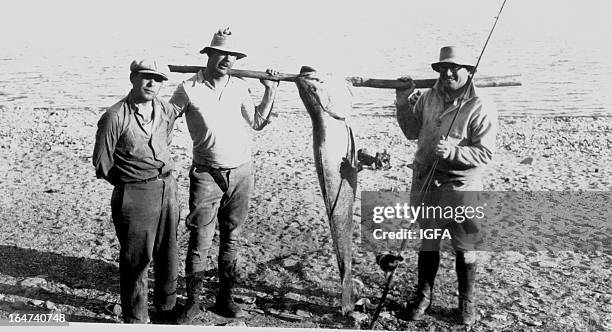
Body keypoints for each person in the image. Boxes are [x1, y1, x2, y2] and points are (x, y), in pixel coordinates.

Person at [169, 28, 279, 323]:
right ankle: (193, 302)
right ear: (209, 55)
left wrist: (270, 90)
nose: (227, 59)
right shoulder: (188, 88)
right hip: (206, 174)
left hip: (242, 172)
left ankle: (224, 299)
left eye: (233, 55)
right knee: (200, 240)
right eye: (221, 53)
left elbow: (257, 122)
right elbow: (165, 121)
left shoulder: (239, 86)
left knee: (232, 237)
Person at [394, 46, 498, 325]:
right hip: (426, 181)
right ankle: (423, 297)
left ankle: (467, 302)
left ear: (469, 71)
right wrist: (403, 102)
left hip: (461, 186)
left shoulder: (481, 105)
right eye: (442, 68)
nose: (448, 73)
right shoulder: (428, 97)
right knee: (428, 243)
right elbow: (410, 131)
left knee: (465, 248)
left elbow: (485, 154)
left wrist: (455, 152)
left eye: (455, 68)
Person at [92, 59, 180, 324]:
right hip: (134, 193)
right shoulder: (115, 116)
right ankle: (136, 318)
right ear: (133, 78)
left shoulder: (164, 109)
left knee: (168, 252)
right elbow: (102, 164)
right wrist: (132, 182)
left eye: (159, 79)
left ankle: (166, 308)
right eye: (146, 77)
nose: (152, 83)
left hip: (167, 187)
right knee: (137, 259)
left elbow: (166, 139)